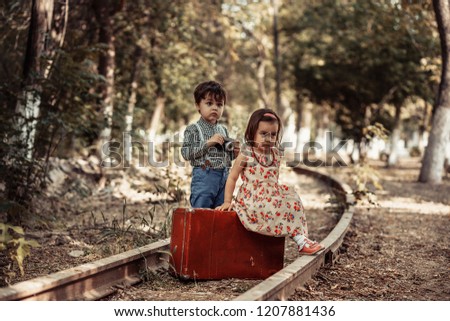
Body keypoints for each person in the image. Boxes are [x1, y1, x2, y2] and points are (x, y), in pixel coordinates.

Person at [216, 108, 324, 255]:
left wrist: (281, 196)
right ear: (251, 132)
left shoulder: (275, 154)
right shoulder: (247, 153)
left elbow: (272, 180)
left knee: (293, 200)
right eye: (263, 134)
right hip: (252, 199)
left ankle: (302, 239)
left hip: (271, 195)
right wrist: (227, 201)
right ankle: (301, 241)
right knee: (274, 204)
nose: (269, 139)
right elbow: (232, 177)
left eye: (273, 135)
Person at [181, 80, 239, 208]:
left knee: (220, 212)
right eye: (209, 103)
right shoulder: (194, 129)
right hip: (204, 177)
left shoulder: (223, 130)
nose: (214, 107)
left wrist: (234, 154)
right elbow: (186, 153)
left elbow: (225, 157)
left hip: (224, 178)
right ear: (198, 106)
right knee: (202, 210)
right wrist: (208, 143)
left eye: (219, 104)